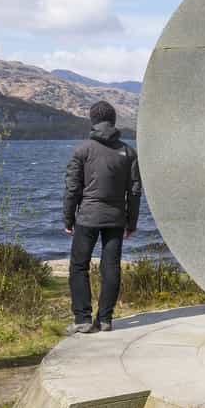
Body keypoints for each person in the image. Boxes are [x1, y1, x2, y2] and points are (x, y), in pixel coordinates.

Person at [64, 100, 141, 333]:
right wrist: (132, 221)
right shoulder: (128, 152)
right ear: (114, 121)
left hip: (87, 217)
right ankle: (105, 319)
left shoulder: (82, 150)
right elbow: (135, 190)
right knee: (111, 267)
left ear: (93, 121)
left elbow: (72, 188)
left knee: (79, 266)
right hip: (116, 219)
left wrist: (68, 218)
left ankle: (83, 320)